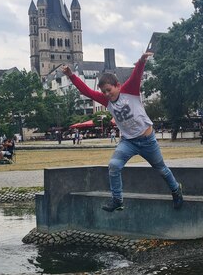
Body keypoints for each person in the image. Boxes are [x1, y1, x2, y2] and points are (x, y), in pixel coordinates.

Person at [62, 52, 183, 212]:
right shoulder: (106, 100)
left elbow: (136, 76)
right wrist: (71, 75)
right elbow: (87, 92)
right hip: (128, 142)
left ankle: (176, 190)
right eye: (103, 92)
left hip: (147, 141)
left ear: (117, 86)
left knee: (161, 168)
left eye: (109, 90)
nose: (106, 94)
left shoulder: (129, 90)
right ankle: (117, 200)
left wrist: (141, 60)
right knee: (114, 165)